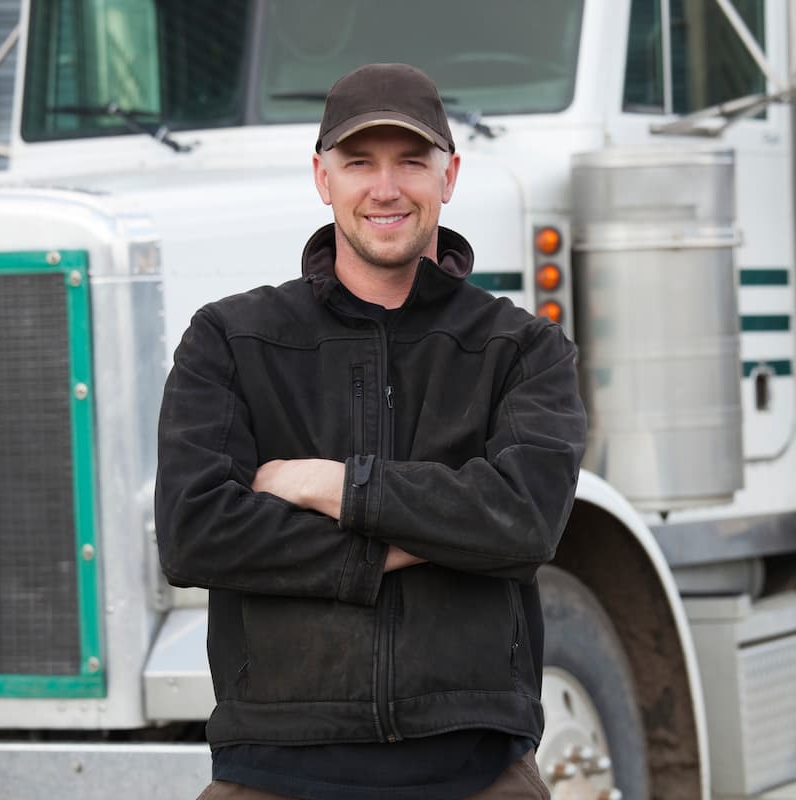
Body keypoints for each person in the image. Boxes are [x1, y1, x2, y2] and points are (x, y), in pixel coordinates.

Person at [155, 62, 588, 800]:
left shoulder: (521, 349)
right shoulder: (230, 340)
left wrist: (329, 485)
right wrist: (412, 541)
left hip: (476, 770)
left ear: (448, 178)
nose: (385, 188)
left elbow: (524, 519)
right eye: (360, 163)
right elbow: (196, 532)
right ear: (323, 180)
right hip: (274, 768)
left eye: (411, 163)